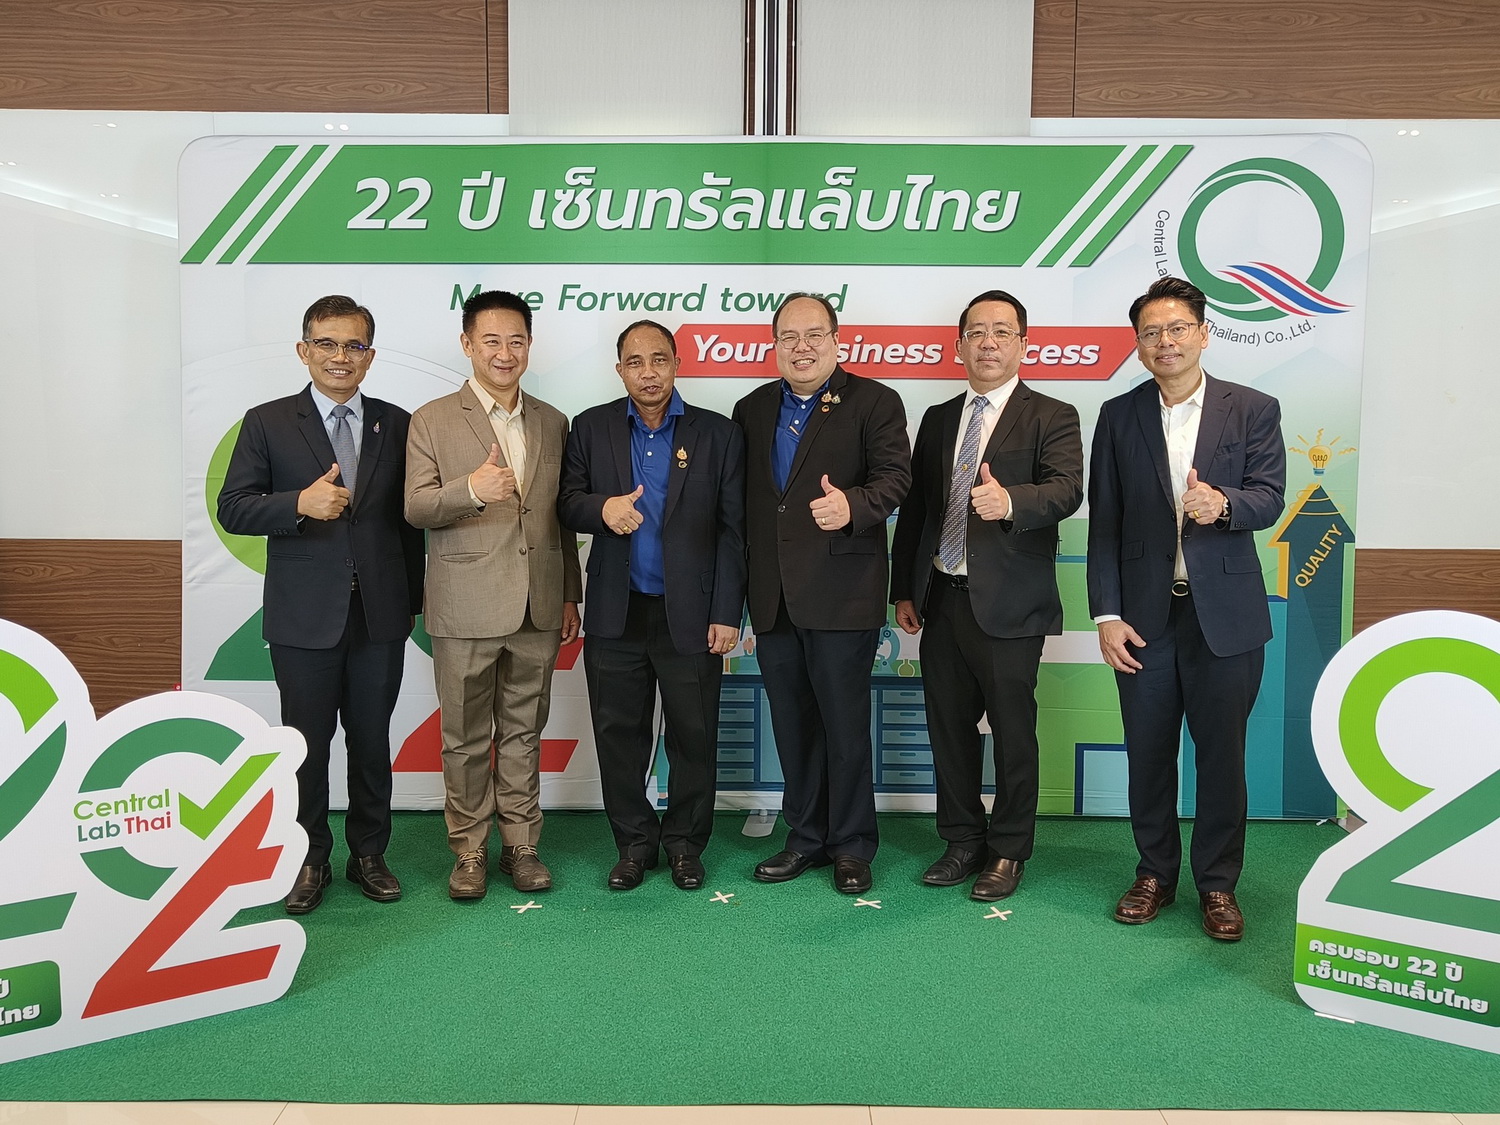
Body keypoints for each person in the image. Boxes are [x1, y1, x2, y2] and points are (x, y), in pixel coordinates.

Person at [1087, 276, 1286, 941]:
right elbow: (1105, 523)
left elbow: (1269, 495)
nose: (1164, 341)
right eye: (1151, 332)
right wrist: (1106, 613)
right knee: (1147, 753)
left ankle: (1218, 883)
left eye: (1177, 328)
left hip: (1224, 616)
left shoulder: (1252, 407)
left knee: (1222, 756)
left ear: (1203, 333)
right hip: (1143, 619)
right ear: (1138, 344)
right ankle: (1154, 873)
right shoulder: (1118, 415)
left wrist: (1223, 504)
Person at [218, 294, 425, 914]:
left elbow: (409, 524)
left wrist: (412, 602)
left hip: (380, 615)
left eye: (353, 345)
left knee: (371, 740)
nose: (341, 357)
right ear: (304, 350)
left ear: (370, 356)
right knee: (306, 743)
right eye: (327, 344)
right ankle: (309, 857)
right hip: (303, 615)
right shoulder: (267, 422)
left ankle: (369, 854)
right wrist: (298, 505)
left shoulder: (398, 423)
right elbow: (233, 508)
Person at [890, 290, 1083, 902]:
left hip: (1011, 605)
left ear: (1024, 343)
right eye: (976, 332)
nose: (988, 342)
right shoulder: (938, 417)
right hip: (941, 598)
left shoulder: (1053, 414)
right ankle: (962, 841)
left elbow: (1068, 489)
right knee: (948, 729)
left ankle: (1008, 850)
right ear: (960, 346)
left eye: (1002, 331)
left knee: (1013, 733)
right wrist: (904, 590)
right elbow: (917, 510)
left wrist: (1011, 502)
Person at [731, 293, 911, 894]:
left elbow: (896, 479)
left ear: (837, 341)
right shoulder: (752, 408)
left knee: (844, 726)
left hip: (842, 593)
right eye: (788, 337)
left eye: (813, 335)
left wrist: (853, 505)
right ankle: (805, 837)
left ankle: (853, 844)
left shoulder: (875, 401)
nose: (801, 347)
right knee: (793, 726)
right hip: (774, 598)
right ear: (775, 344)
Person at [405, 290, 582, 900]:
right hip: (464, 604)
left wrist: (569, 594)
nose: (505, 353)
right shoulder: (431, 419)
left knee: (524, 731)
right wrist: (472, 490)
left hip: (539, 603)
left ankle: (522, 845)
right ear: (467, 345)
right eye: (491, 341)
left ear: (529, 346)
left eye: (516, 341)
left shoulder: (553, 421)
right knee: (464, 737)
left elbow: (559, 518)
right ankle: (469, 850)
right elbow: (416, 506)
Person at [558, 320, 746, 891]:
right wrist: (602, 510)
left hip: (692, 614)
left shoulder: (717, 433)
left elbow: (733, 530)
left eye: (659, 359)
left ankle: (685, 845)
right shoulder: (590, 427)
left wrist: (727, 611)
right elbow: (566, 503)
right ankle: (634, 845)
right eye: (635, 362)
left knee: (694, 736)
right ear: (619, 370)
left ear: (677, 364)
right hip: (616, 611)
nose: (648, 372)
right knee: (619, 737)